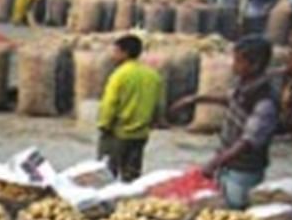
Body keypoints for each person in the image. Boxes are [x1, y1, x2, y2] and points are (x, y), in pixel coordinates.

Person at [171, 36, 279, 208]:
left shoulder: (264, 100)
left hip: (244, 168)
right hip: (227, 161)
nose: (233, 65)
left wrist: (215, 162)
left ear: (255, 65)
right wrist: (196, 99)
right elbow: (230, 100)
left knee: (235, 208)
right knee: (221, 203)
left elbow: (248, 141)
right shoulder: (245, 85)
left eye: (238, 61)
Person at [97, 34, 163, 182]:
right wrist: (153, 123)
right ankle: (129, 202)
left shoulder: (119, 75)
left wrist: (104, 125)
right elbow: (159, 105)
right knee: (132, 175)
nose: (113, 55)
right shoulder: (153, 76)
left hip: (117, 133)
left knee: (106, 174)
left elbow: (110, 104)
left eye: (116, 51)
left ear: (125, 53)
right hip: (140, 135)